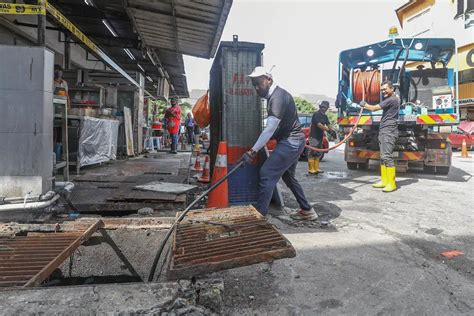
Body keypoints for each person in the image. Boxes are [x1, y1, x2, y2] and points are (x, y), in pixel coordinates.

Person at [241, 66, 318, 221]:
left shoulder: (277, 97)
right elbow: (277, 128)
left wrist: (252, 151)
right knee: (288, 177)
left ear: (269, 80)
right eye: (253, 84)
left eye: (259, 83)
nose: (256, 87)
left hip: (292, 142)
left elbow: (270, 129)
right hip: (293, 141)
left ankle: (259, 216)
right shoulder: (275, 96)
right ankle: (307, 210)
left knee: (267, 173)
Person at [360, 80, 400, 192]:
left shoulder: (392, 100)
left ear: (392, 89)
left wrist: (364, 104)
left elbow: (373, 108)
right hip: (384, 130)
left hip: (389, 131)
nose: (383, 91)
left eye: (385, 89)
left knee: (387, 156)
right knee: (383, 156)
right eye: (382, 90)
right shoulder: (391, 99)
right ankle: (384, 181)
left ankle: (391, 184)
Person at [308, 101, 336, 174]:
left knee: (318, 152)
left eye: (326, 107)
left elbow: (328, 124)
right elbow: (319, 125)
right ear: (320, 107)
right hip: (313, 136)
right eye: (323, 107)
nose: (325, 109)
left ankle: (316, 168)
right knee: (312, 152)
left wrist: (332, 131)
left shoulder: (325, 116)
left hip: (320, 137)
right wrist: (328, 130)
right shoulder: (316, 114)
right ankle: (311, 168)